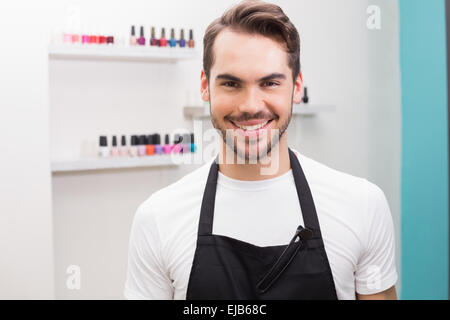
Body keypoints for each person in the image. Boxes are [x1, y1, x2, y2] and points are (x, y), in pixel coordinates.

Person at [124, 0, 398, 300]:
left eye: (269, 83)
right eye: (231, 83)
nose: (250, 106)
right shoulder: (158, 218)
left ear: (296, 87)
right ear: (206, 86)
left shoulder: (362, 206)